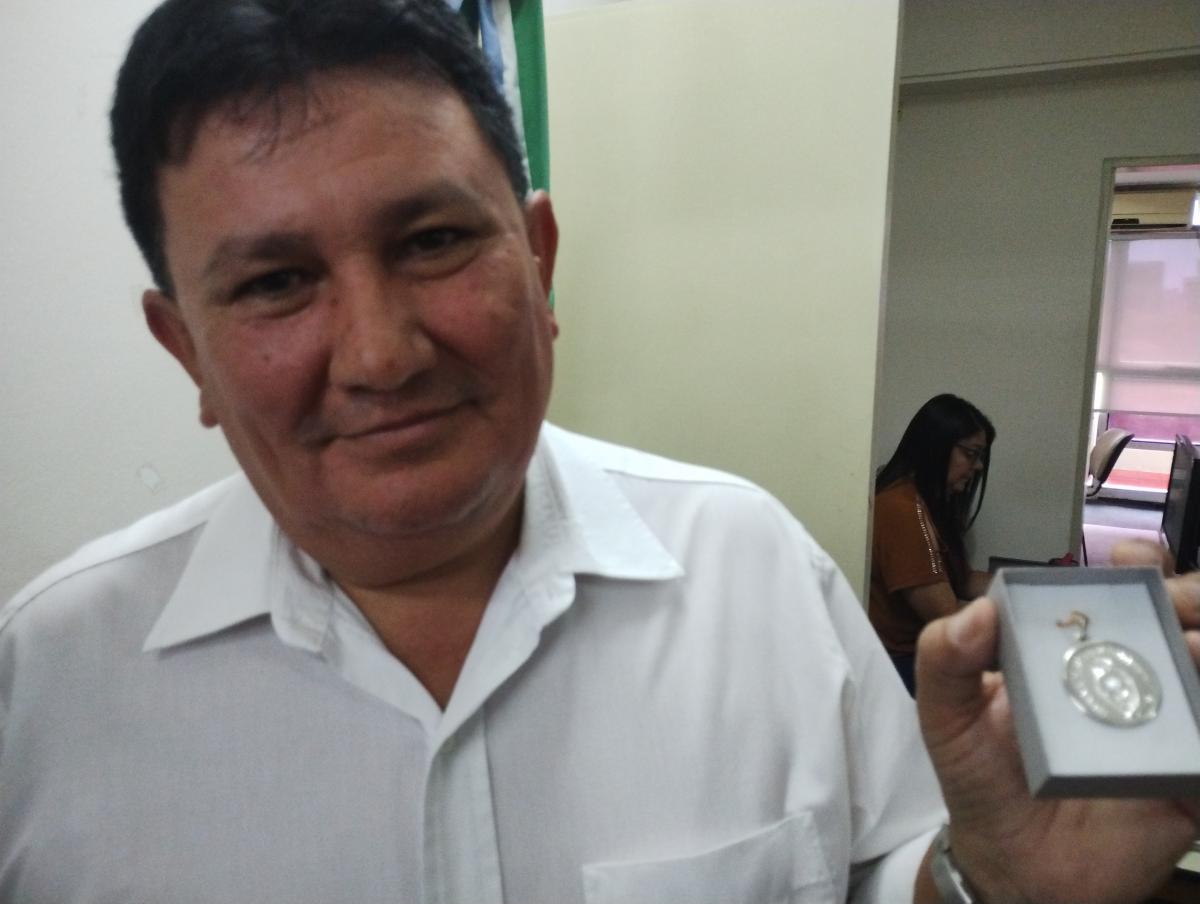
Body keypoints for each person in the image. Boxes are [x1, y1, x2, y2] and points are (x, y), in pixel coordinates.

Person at [1, 2, 1197, 902]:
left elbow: (890, 875)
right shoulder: (46, 682)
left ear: (539, 261)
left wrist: (996, 882)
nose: (380, 354)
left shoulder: (753, 570)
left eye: (431, 241)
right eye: (274, 282)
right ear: (186, 350)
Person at [869, 394, 996, 694]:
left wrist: (1022, 590)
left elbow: (962, 580)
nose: (978, 466)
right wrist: (1023, 617)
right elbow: (948, 614)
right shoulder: (901, 509)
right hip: (901, 666)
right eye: (971, 454)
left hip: (918, 657)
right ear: (936, 446)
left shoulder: (923, 502)